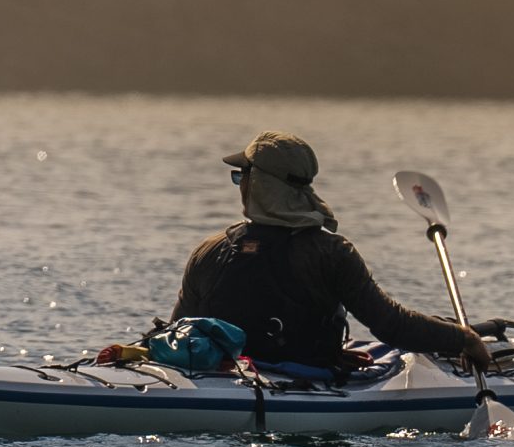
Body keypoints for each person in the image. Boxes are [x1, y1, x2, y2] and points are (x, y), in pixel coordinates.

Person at [171, 130, 491, 376]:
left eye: (242, 176)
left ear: (259, 187)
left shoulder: (211, 250)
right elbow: (390, 325)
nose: (240, 185)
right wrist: (463, 340)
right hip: (311, 378)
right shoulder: (331, 253)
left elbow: (176, 333)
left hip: (226, 379)